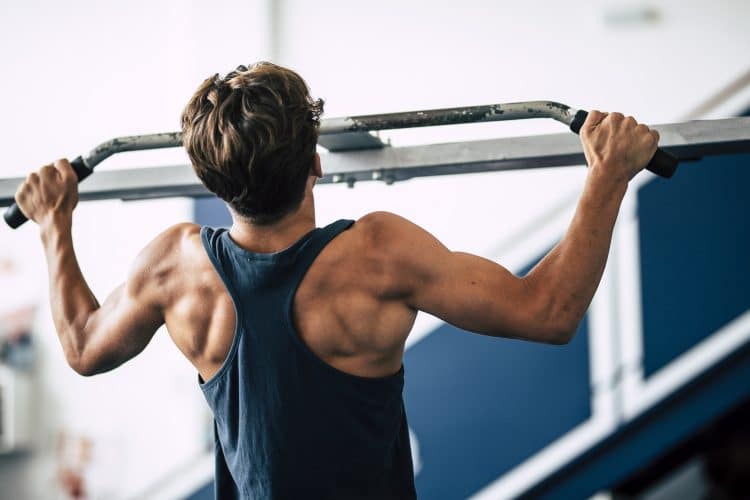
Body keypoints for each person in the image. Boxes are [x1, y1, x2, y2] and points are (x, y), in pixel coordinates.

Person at [14, 62, 660, 499]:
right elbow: (549, 313)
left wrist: (53, 225)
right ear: (315, 163)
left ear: (210, 181)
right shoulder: (377, 254)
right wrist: (607, 176)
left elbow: (82, 348)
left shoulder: (174, 268)